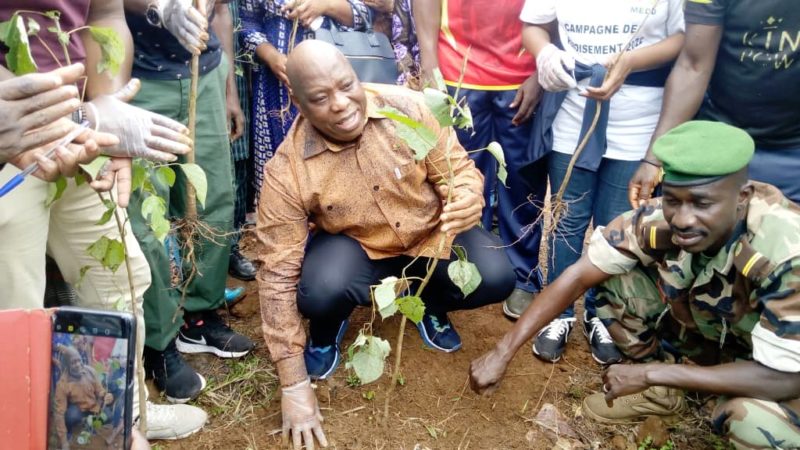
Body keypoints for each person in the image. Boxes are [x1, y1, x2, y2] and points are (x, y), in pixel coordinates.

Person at [470, 121, 800, 449]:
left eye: (702, 204)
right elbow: (577, 277)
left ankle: (679, 385)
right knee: (616, 285)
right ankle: (665, 398)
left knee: (749, 419)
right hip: (731, 336)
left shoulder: (787, 251)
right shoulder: (658, 219)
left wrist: (650, 374)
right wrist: (503, 351)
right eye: (673, 200)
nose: (683, 219)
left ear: (741, 196)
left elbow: (785, 377)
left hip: (784, 368)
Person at [256, 40, 516, 450]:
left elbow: (459, 171)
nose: (341, 104)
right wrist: (292, 384)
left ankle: (430, 303)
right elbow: (275, 274)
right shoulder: (287, 171)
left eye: (346, 85)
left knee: (497, 275)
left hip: (428, 237)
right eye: (321, 98)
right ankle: (327, 328)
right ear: (298, 103)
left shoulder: (409, 110)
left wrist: (467, 197)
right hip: (357, 252)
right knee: (316, 290)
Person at [0, 0, 206, 442]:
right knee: (14, 307)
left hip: (80, 140)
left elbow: (106, 16)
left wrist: (106, 110)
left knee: (117, 282)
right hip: (8, 146)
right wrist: (82, 117)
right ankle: (22, 435)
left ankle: (120, 420)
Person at [518, 0, 685, 365]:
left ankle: (602, 315)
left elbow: (682, 39)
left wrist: (632, 62)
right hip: (572, 115)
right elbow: (532, 23)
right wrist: (545, 52)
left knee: (616, 225)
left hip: (639, 122)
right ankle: (557, 314)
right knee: (566, 219)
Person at [123, 0, 256, 405]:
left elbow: (219, 13)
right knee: (149, 220)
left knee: (213, 197)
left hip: (207, 74)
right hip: (141, 82)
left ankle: (199, 316)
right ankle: (159, 342)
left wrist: (230, 91)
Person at [414, 0, 546, 323]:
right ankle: (465, 269)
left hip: (520, 77)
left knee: (522, 183)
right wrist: (430, 63)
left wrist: (541, 73)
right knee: (457, 182)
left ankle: (522, 275)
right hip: (458, 75)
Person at [629, 0, 800, 207]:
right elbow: (693, 66)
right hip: (719, 136)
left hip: (794, 148)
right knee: (704, 230)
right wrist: (654, 159)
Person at [239, 0, 369, 212]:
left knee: (340, 154)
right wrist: (271, 56)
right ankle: (285, 226)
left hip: (337, 79)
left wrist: (326, 6)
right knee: (281, 162)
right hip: (277, 83)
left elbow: (369, 14)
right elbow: (246, 22)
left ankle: (346, 224)